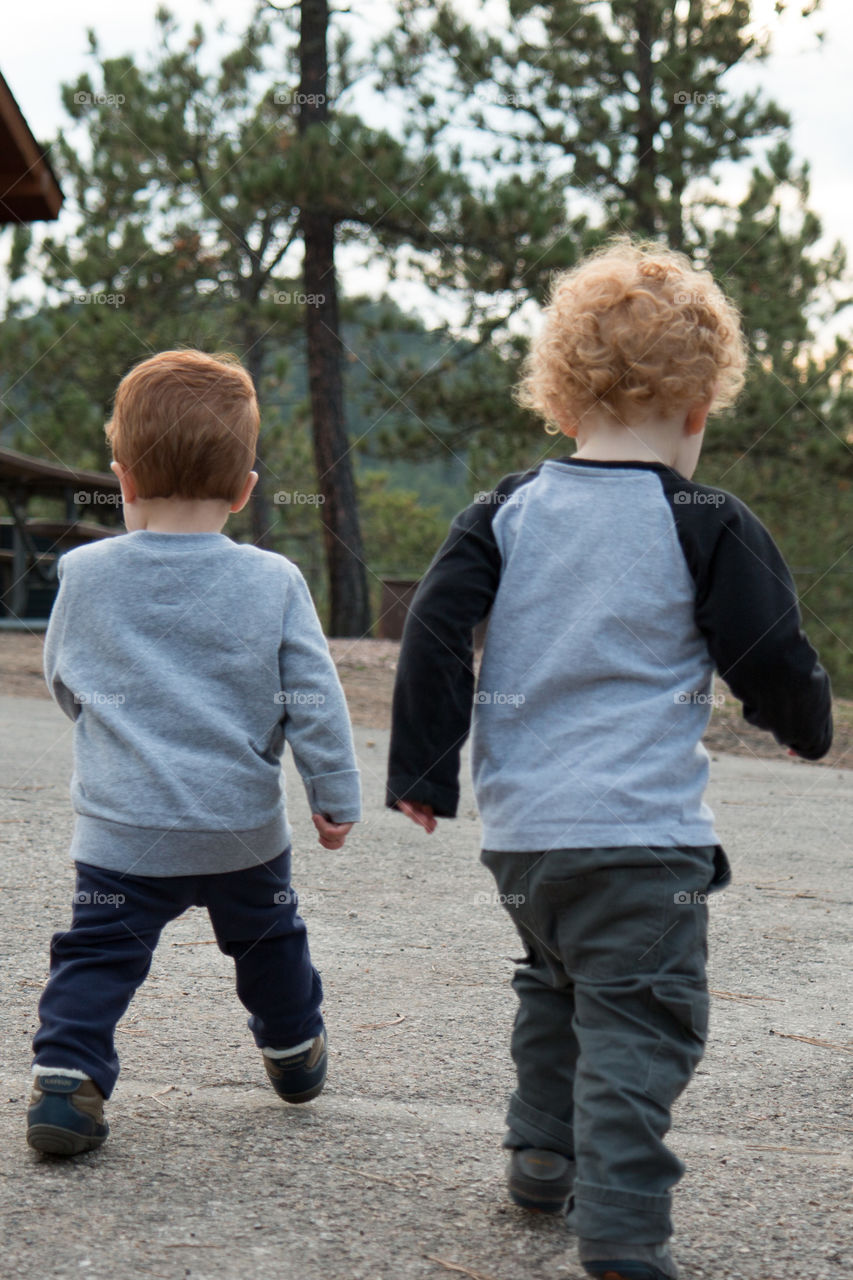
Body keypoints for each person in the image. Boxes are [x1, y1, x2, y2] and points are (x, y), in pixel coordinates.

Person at [385, 239, 832, 1280]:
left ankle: (543, 1149)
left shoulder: (503, 511)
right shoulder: (702, 520)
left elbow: (434, 630)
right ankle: (624, 1222)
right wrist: (805, 725)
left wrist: (420, 768)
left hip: (527, 841)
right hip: (643, 844)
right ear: (696, 413)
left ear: (562, 400)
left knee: (556, 982)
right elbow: (769, 648)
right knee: (643, 1014)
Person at [28, 349, 360, 1157]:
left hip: (120, 831)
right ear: (246, 490)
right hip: (239, 830)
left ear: (123, 480)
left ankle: (68, 1082)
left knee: (97, 953)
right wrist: (333, 791)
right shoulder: (274, 581)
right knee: (269, 939)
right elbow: (313, 697)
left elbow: (62, 680)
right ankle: (290, 1050)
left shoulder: (84, 572)